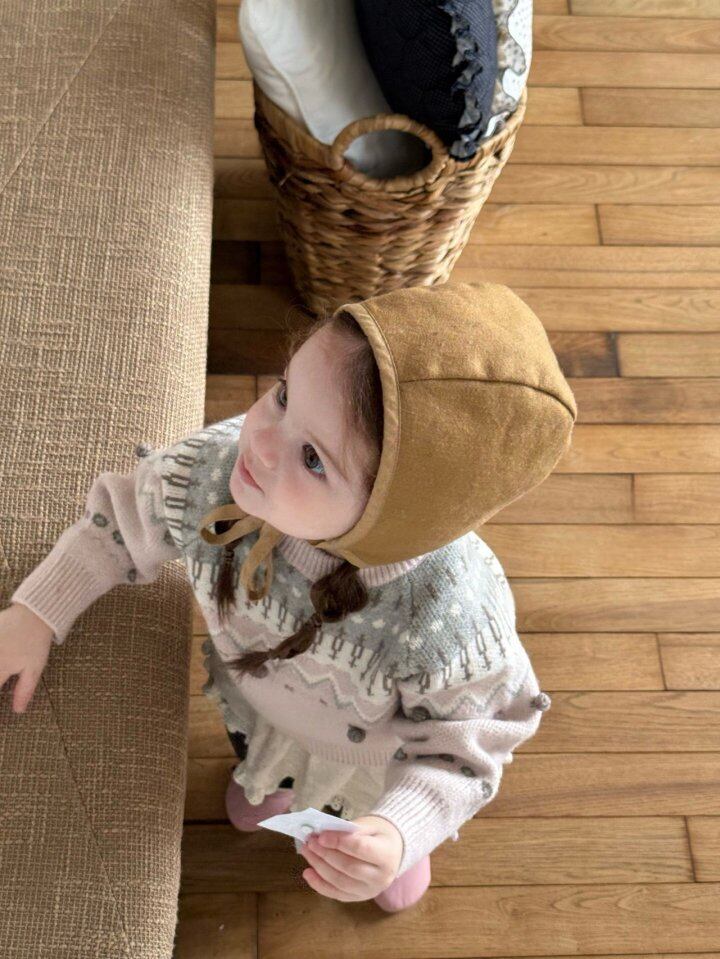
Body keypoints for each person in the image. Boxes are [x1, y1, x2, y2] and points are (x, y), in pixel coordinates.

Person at [0, 282, 577, 913]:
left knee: (362, 835)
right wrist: (37, 612)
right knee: (261, 776)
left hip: (373, 762)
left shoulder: (448, 618)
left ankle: (379, 847)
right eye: (282, 394)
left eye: (313, 458)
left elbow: (463, 746)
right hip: (262, 710)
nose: (259, 441)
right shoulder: (215, 470)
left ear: (394, 518)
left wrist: (399, 831)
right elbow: (123, 520)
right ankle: (271, 783)